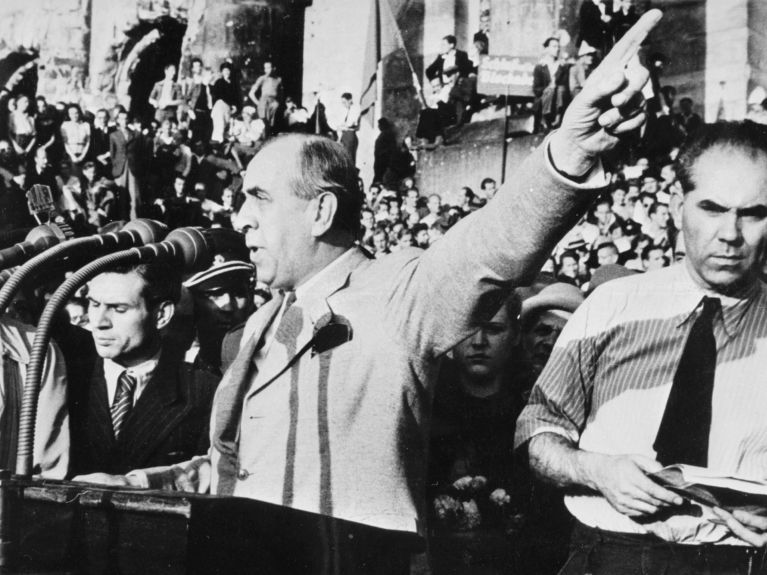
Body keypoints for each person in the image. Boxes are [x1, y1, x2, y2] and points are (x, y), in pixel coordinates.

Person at [71, 11, 662, 569]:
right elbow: (243, 472)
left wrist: (574, 147)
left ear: (321, 211)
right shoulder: (261, 322)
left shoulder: (398, 293)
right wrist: (131, 485)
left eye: (259, 199)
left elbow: (493, 245)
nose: (240, 220)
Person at [516, 119, 767, 573]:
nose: (730, 233)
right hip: (612, 553)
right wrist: (596, 471)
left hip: (740, 560)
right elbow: (538, 434)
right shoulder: (611, 307)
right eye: (712, 208)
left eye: (753, 213)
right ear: (677, 207)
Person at [69, 261, 219, 477]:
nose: (99, 322)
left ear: (161, 315)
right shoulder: (67, 378)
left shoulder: (204, 392)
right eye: (94, 304)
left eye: (119, 309)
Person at [183, 259, 256, 377]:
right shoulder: (183, 373)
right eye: (215, 294)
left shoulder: (265, 364)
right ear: (192, 302)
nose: (229, 308)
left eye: (239, 293)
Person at [425, 35, 474, 127]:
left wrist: (459, 75)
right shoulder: (441, 57)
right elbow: (429, 71)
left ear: (451, 45)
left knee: (456, 99)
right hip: (444, 85)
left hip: (457, 84)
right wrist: (435, 81)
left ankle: (458, 122)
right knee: (438, 104)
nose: (441, 47)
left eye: (444, 45)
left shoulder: (461, 55)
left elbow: (467, 69)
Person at [533, 37, 571, 133]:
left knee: (561, 89)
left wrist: (555, 88)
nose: (557, 49)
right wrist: (549, 88)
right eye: (554, 46)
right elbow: (536, 90)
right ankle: (545, 119)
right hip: (543, 101)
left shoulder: (562, 67)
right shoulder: (540, 67)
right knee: (550, 90)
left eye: (558, 47)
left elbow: (565, 87)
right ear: (546, 49)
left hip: (559, 102)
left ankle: (558, 117)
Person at [248, 61, 283, 137]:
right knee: (264, 124)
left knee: (273, 126)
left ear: (274, 68)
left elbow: (281, 94)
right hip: (264, 102)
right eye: (265, 68)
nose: (267, 70)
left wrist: (278, 102)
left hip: (274, 103)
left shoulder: (279, 80)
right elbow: (251, 93)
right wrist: (258, 103)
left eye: (269, 67)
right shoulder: (262, 78)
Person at [338, 92, 360, 164]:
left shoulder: (355, 109)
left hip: (350, 135)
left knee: (349, 159)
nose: (343, 105)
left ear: (350, 100)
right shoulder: (348, 110)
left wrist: (342, 126)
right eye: (342, 103)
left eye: (344, 102)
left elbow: (350, 124)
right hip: (345, 135)